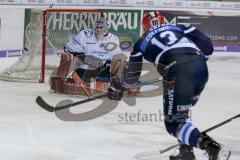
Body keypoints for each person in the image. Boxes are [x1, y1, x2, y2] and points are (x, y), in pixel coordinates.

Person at [107, 11, 230, 160]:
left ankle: (210, 147)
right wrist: (190, 63)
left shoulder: (142, 41)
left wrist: (117, 87)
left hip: (178, 72)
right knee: (182, 111)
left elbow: (131, 79)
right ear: (164, 21)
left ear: (145, 27)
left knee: (174, 124)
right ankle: (186, 152)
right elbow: (208, 47)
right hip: (201, 67)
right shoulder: (179, 28)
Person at [63, 17, 122, 83]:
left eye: (101, 27)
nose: (99, 30)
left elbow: (117, 59)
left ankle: (97, 81)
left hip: (101, 71)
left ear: (106, 29)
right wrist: (82, 57)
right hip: (84, 70)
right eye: (97, 27)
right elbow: (67, 49)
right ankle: (66, 78)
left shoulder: (114, 39)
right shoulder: (85, 34)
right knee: (71, 59)